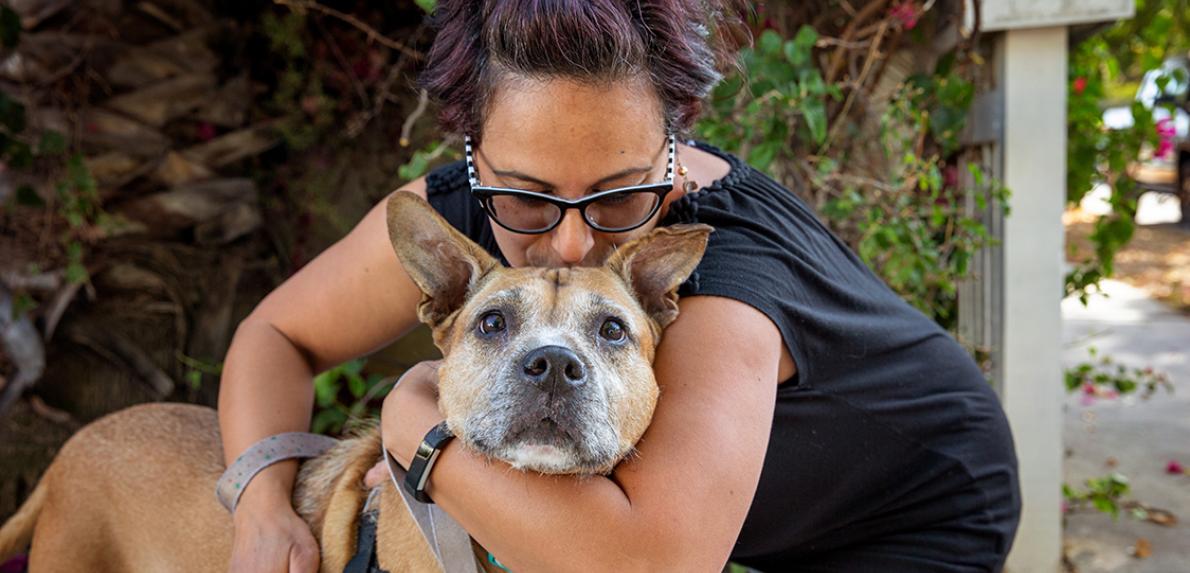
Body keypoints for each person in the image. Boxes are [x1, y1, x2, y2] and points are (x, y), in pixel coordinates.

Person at [218, 1, 1021, 571]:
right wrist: (259, 502)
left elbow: (650, 564)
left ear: (673, 148)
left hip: (914, 512)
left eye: (617, 193)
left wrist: (415, 425)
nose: (571, 239)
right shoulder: (466, 210)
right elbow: (277, 335)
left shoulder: (724, 280)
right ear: (474, 154)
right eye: (527, 195)